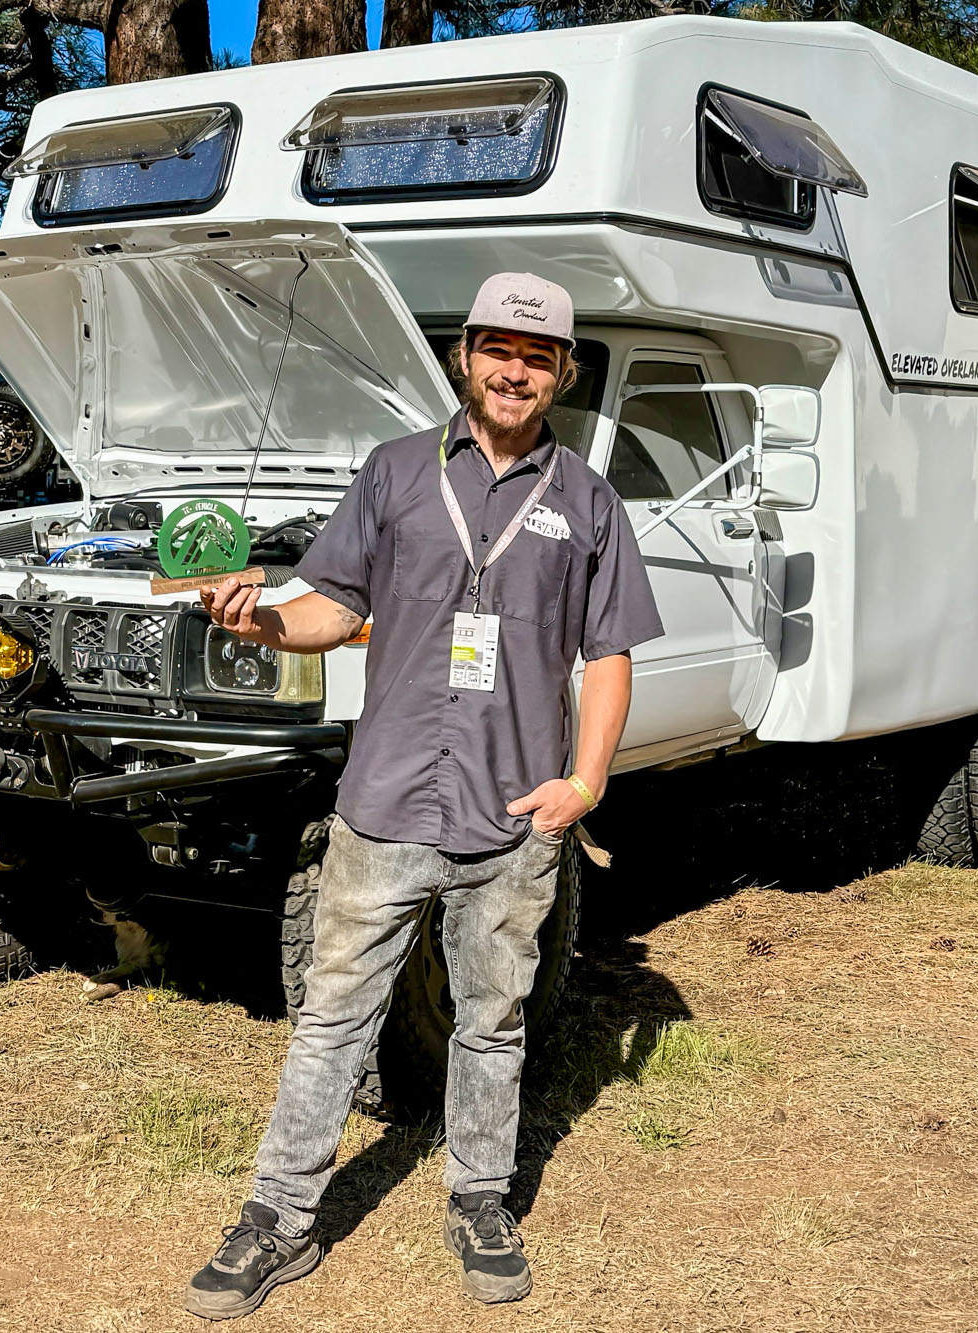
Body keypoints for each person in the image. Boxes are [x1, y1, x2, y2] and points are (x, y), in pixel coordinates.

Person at [182, 272, 663, 1320]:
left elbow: (611, 653)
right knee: (331, 1020)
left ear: (561, 373)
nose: (514, 372)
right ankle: (277, 1219)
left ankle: (479, 1199)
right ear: (464, 357)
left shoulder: (588, 502)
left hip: (512, 813)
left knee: (491, 1022)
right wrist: (262, 621)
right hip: (384, 801)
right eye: (498, 350)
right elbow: (330, 605)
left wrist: (583, 782)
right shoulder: (395, 471)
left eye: (536, 357)